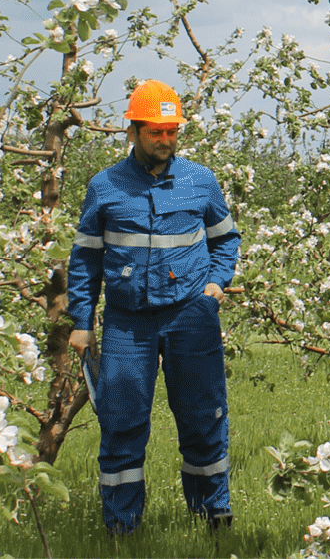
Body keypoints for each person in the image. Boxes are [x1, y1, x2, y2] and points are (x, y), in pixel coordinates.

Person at [67, 80, 240, 534]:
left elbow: (226, 240)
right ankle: (122, 528)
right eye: (155, 132)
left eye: (172, 132)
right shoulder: (104, 186)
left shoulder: (200, 181)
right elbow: (85, 257)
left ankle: (212, 515)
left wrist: (217, 285)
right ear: (133, 131)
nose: (165, 141)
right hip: (128, 323)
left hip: (191, 317)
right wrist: (81, 322)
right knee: (121, 422)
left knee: (204, 417)